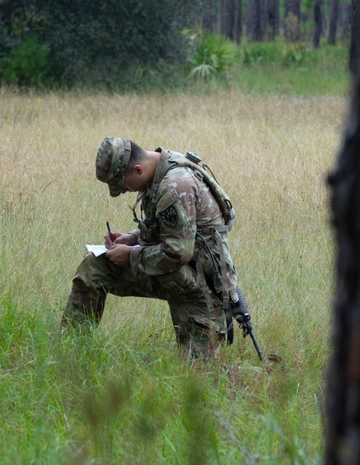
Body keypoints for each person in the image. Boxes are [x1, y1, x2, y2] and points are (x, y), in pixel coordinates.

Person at [62, 137, 241, 359]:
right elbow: (176, 230)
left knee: (198, 373)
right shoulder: (158, 171)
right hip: (178, 275)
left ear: (137, 169)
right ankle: (70, 353)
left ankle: (259, 375)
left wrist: (130, 255)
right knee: (95, 266)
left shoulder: (174, 185)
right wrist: (133, 238)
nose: (125, 191)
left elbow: (177, 252)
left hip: (201, 288)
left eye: (124, 185)